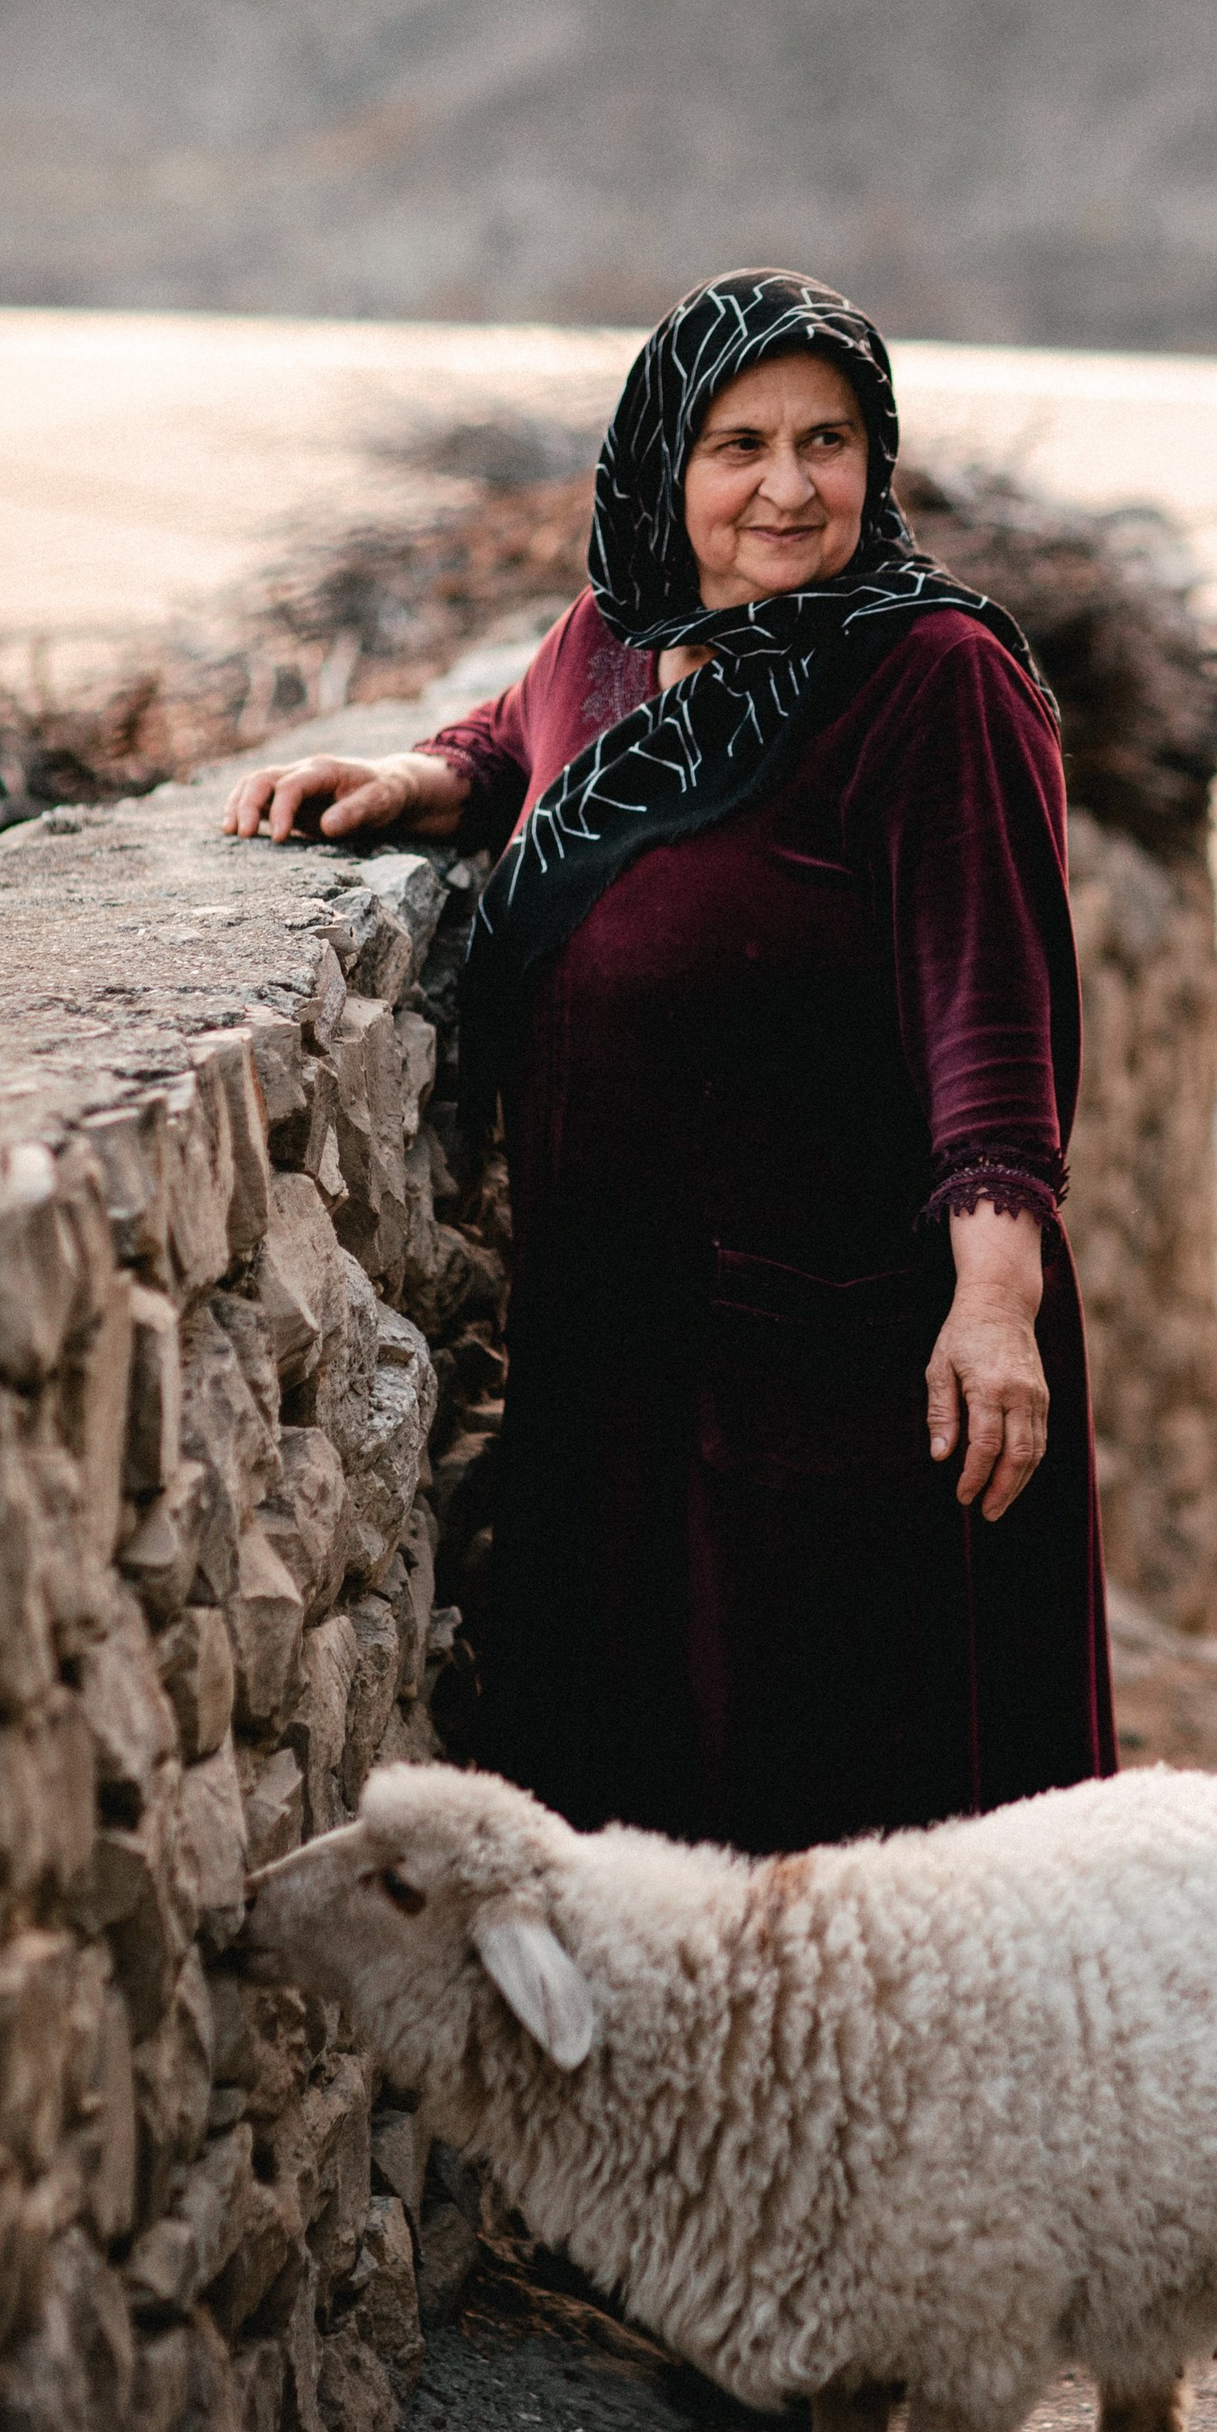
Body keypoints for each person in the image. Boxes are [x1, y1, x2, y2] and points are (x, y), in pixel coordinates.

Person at [224, 269, 1113, 1855]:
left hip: (838, 1370)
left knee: (845, 1824)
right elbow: (524, 743)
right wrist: (411, 776)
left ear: (876, 460)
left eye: (829, 442)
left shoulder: (928, 677)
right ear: (662, 467)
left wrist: (994, 1307)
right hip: (621, 1356)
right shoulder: (620, 638)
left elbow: (993, 1008)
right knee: (647, 1813)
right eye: (741, 444)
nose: (790, 487)